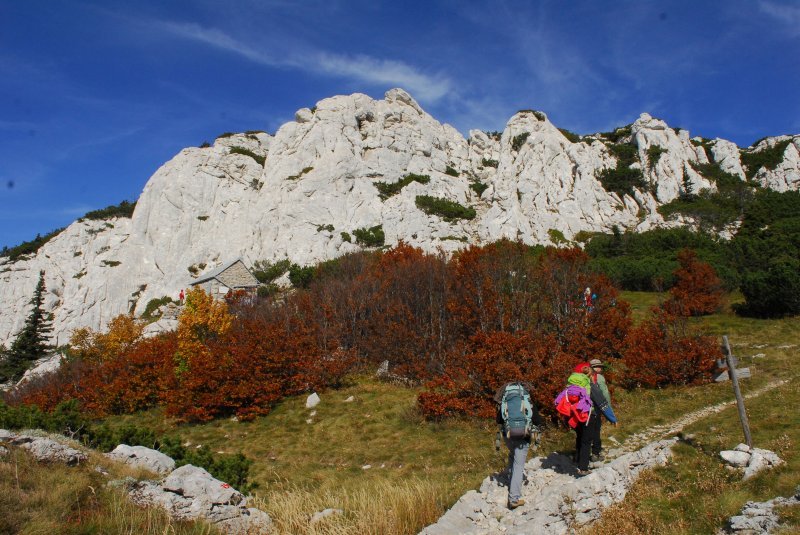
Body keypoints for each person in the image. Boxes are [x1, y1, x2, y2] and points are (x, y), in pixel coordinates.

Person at [494, 381, 543, 509]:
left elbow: (498, 420)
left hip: (508, 435)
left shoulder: (505, 401)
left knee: (512, 455)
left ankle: (511, 481)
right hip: (523, 435)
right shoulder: (526, 400)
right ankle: (514, 498)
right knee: (519, 465)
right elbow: (537, 420)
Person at [589, 359, 614, 461]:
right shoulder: (599, 378)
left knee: (584, 432)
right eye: (597, 366)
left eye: (600, 366)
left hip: (583, 408)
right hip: (596, 408)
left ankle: (580, 455)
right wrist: (608, 409)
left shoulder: (582, 377)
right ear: (593, 367)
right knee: (596, 431)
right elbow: (605, 394)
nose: (600, 368)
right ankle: (596, 453)